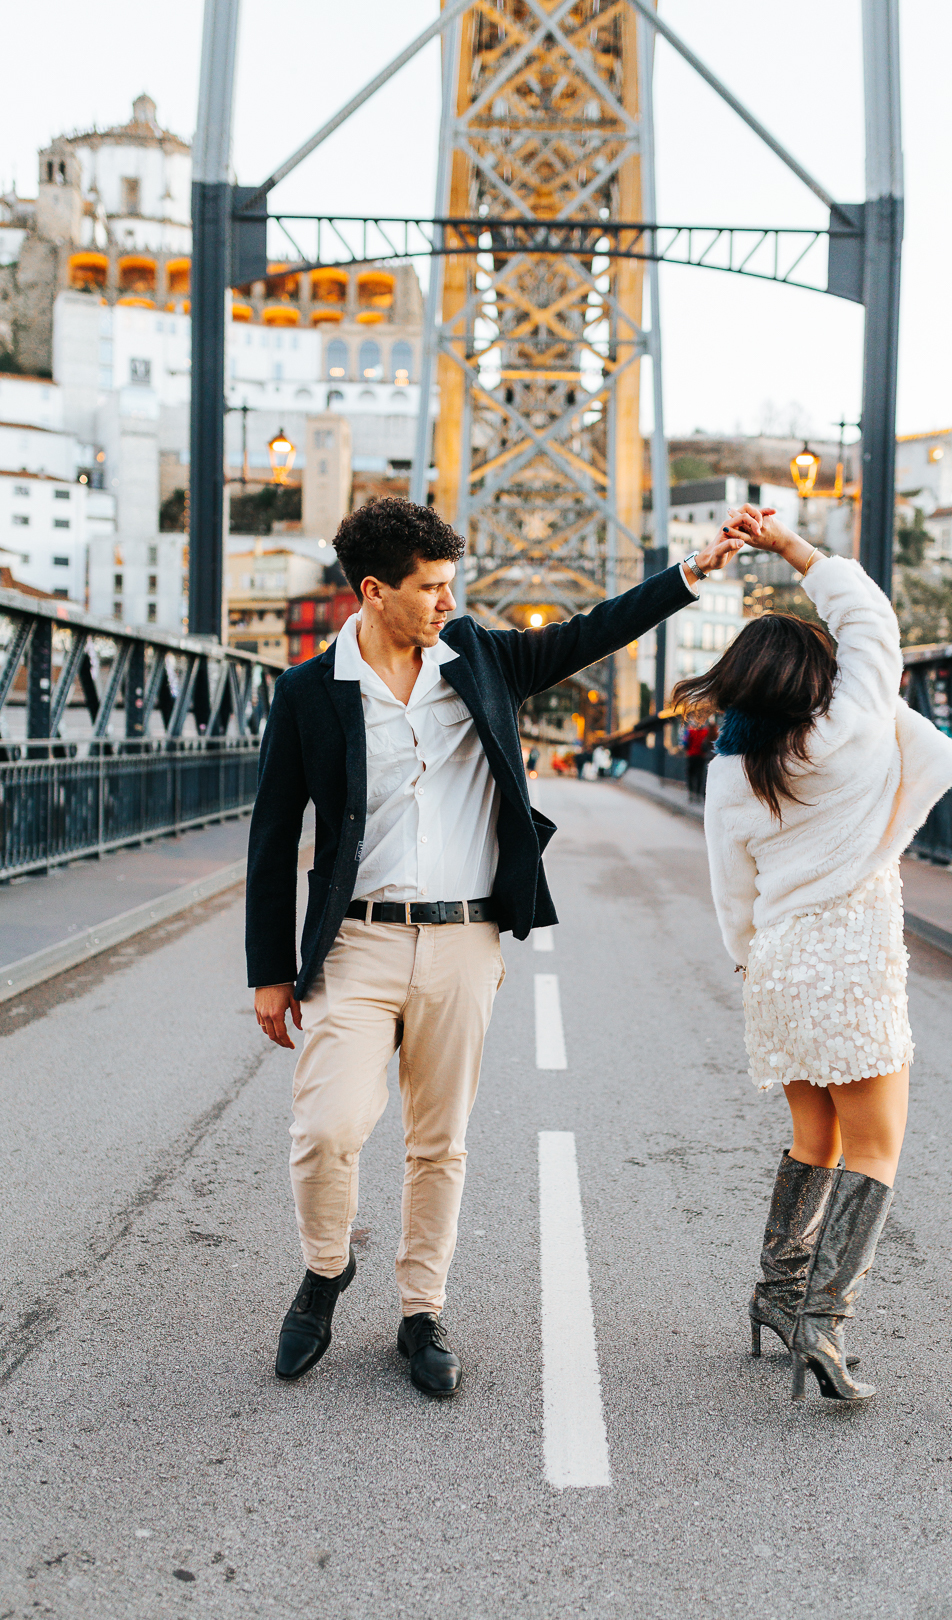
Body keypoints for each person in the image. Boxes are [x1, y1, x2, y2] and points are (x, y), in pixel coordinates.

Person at [247, 497, 742, 1395]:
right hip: (357, 942)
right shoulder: (308, 693)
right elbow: (273, 835)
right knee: (327, 1129)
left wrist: (692, 573)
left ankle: (420, 1309)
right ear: (374, 592)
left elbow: (595, 631)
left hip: (464, 939)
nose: (446, 601)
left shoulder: (479, 658)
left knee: (440, 1140)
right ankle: (325, 1273)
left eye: (450, 585)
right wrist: (269, 973)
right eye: (430, 587)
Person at [681, 504, 952, 1404]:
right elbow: (872, 622)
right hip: (850, 965)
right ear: (812, 677)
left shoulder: (733, 773)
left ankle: (778, 1296)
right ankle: (823, 1324)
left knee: (814, 1134)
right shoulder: (851, 727)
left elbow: (729, 891)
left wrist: (749, 964)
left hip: (777, 963)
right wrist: (794, 549)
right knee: (878, 1147)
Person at [683, 719, 714, 801]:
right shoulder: (705, 731)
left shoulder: (689, 731)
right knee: (699, 775)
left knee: (690, 775)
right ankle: (697, 793)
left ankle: (691, 792)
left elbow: (685, 743)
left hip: (691, 755)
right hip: (701, 756)